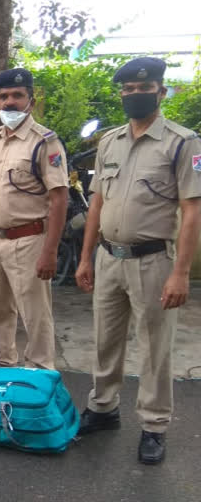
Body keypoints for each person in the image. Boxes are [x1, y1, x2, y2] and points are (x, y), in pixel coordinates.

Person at [74, 57, 201, 465]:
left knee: (154, 347)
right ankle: (103, 407)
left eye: (143, 89)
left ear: (161, 92)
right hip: (110, 257)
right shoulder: (110, 141)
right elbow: (97, 202)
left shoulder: (183, 142)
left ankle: (154, 425)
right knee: (105, 340)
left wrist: (180, 273)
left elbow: (192, 211)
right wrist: (86, 257)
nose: (134, 95)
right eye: (127, 90)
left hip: (152, 262)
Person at [0, 68, 68, 370]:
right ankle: (3, 369)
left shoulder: (44, 142)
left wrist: (50, 251)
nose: (9, 102)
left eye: (17, 96)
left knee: (34, 315)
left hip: (29, 240)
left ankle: (39, 376)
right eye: (3, 97)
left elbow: (59, 197)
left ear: (30, 102)